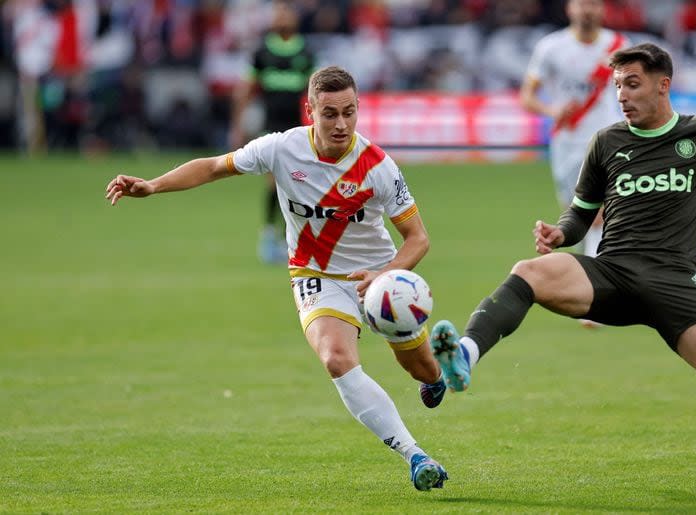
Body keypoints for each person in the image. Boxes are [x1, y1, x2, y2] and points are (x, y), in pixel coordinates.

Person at [106, 66, 450, 491]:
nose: (341, 124)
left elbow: (418, 239)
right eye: (329, 114)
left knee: (421, 370)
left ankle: (438, 374)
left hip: (378, 277)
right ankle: (415, 455)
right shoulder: (280, 148)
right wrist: (153, 186)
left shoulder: (378, 166)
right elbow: (214, 166)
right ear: (311, 111)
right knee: (336, 360)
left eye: (349, 112)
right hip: (314, 274)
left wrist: (385, 274)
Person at [431, 43, 696, 471]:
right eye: (617, 86)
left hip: (674, 283)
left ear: (663, 86)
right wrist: (561, 232)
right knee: (529, 272)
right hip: (611, 273)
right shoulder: (606, 142)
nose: (622, 95)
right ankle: (464, 355)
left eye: (632, 84)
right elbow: (580, 213)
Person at [520, 0, 627, 261]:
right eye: (581, 4)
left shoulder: (619, 46)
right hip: (567, 142)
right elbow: (527, 97)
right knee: (574, 215)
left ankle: (599, 273)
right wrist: (552, 111)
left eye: (593, 4)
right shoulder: (551, 48)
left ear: (602, 8)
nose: (587, 10)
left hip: (606, 137)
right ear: (569, 8)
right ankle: (590, 269)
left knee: (600, 213)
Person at [230, 0, 314, 264]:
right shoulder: (262, 51)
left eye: (285, 11)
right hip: (271, 128)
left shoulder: (306, 52)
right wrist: (238, 125)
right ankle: (269, 236)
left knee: (301, 185)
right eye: (277, 12)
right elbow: (245, 89)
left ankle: (298, 238)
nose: (281, 17)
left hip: (301, 130)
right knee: (273, 183)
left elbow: (316, 92)